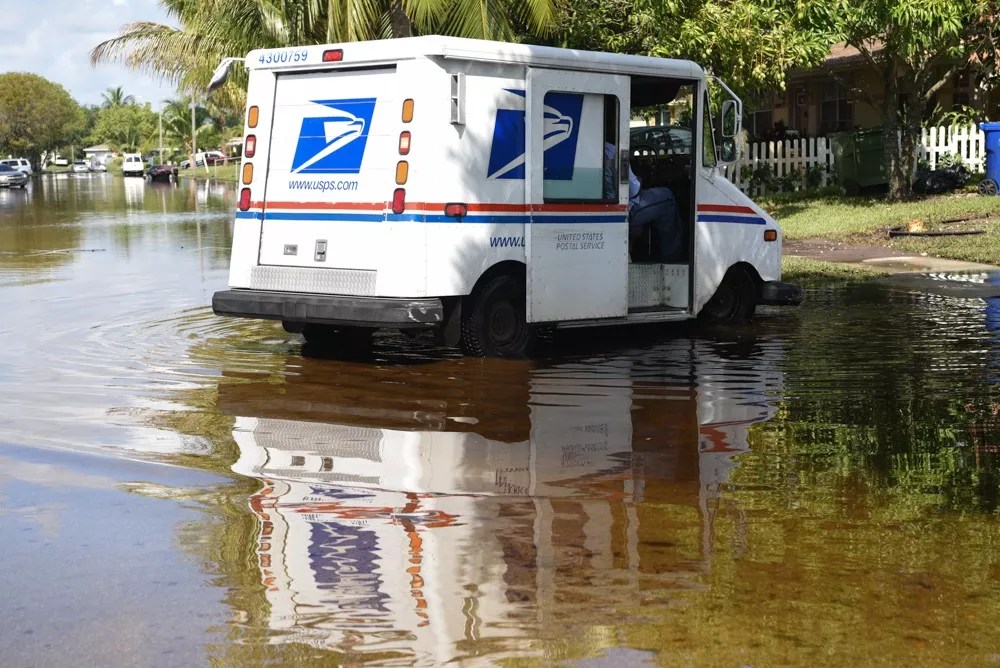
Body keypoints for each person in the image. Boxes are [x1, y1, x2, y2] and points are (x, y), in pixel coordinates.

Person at [605, 141, 683, 262]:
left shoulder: (589, 149)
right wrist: (640, 178)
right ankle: (671, 257)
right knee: (668, 198)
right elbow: (633, 190)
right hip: (622, 210)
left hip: (604, 208)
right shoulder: (613, 151)